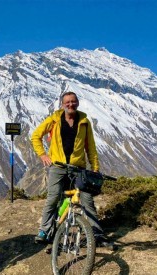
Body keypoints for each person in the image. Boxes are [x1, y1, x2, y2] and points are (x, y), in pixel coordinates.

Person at [31, 91, 112, 247]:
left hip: (78, 168)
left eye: (73, 101)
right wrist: (43, 155)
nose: (70, 104)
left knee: (87, 200)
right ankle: (45, 230)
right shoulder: (54, 120)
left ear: (78, 103)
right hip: (58, 166)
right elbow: (35, 136)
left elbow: (91, 147)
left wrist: (95, 167)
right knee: (54, 197)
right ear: (62, 104)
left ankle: (97, 234)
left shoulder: (84, 122)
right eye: (67, 102)